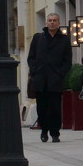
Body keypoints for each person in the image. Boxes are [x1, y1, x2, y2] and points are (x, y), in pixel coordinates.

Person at [28, 12, 71, 143]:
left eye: (55, 20)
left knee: (55, 108)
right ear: (46, 23)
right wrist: (34, 70)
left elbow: (67, 61)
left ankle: (55, 133)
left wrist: (60, 73)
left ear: (58, 23)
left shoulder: (64, 40)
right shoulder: (38, 38)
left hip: (55, 80)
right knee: (42, 108)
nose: (52, 22)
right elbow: (31, 57)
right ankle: (44, 130)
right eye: (50, 20)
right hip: (40, 79)